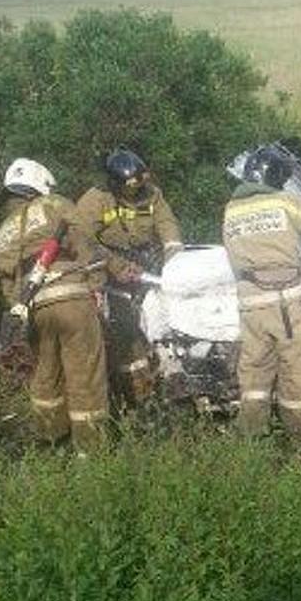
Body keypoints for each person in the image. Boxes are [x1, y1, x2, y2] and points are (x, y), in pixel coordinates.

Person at [0, 158, 109, 454]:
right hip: (73, 300)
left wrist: (20, 310)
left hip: (34, 309)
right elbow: (87, 244)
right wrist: (99, 283)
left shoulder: (4, 230)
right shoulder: (54, 204)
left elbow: (7, 282)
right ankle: (91, 451)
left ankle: (52, 443)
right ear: (41, 184)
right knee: (85, 376)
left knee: (46, 377)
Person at [222, 145, 301, 437]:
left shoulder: (231, 210)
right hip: (286, 305)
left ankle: (251, 437)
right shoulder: (284, 202)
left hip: (251, 308)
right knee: (298, 373)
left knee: (254, 375)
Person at [76, 148, 184, 408]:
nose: (134, 193)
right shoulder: (95, 200)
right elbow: (81, 240)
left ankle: (164, 384)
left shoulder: (152, 194)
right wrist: (114, 265)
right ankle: (132, 397)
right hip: (108, 276)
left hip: (146, 270)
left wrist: (174, 258)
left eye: (138, 186)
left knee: (163, 327)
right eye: (128, 188)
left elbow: (168, 226)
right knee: (125, 336)